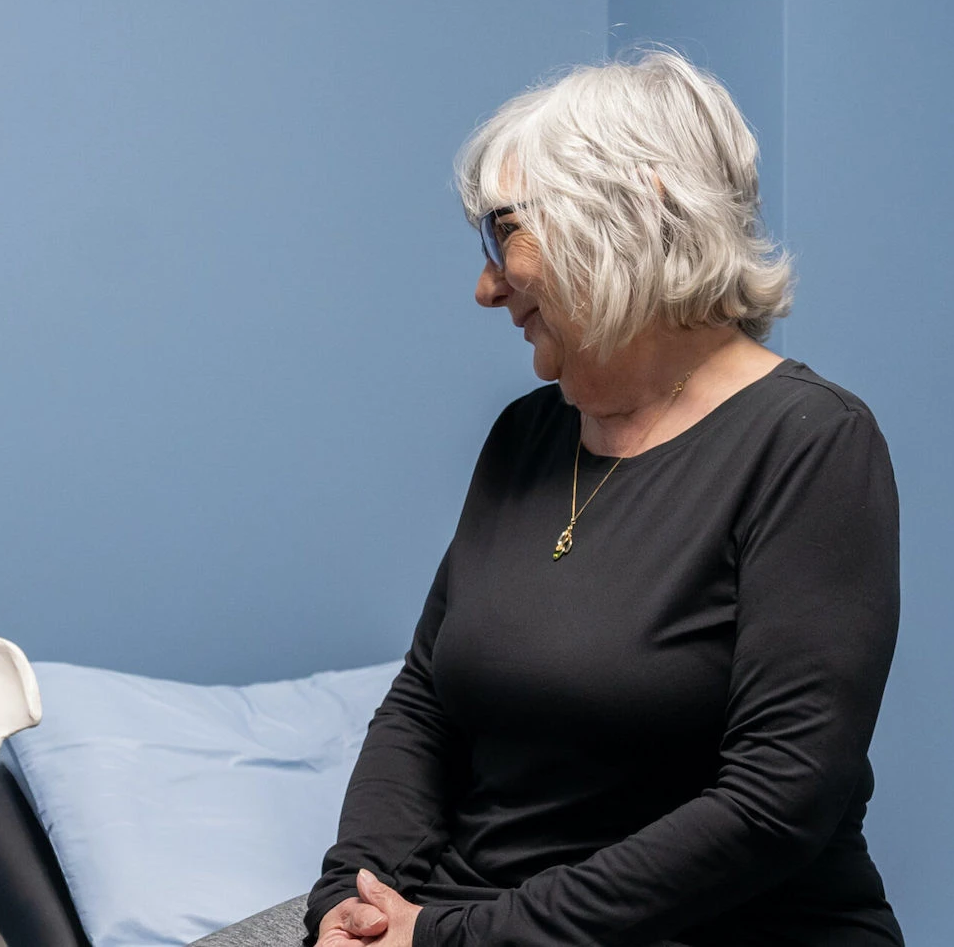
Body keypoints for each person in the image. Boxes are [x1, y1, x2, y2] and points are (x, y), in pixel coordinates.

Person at [195, 51, 903, 946]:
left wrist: (449, 940)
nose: (486, 288)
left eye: (505, 236)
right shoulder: (529, 435)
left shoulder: (811, 443)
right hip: (457, 912)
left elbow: (777, 801)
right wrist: (354, 894)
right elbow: (425, 702)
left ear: (631, 214)